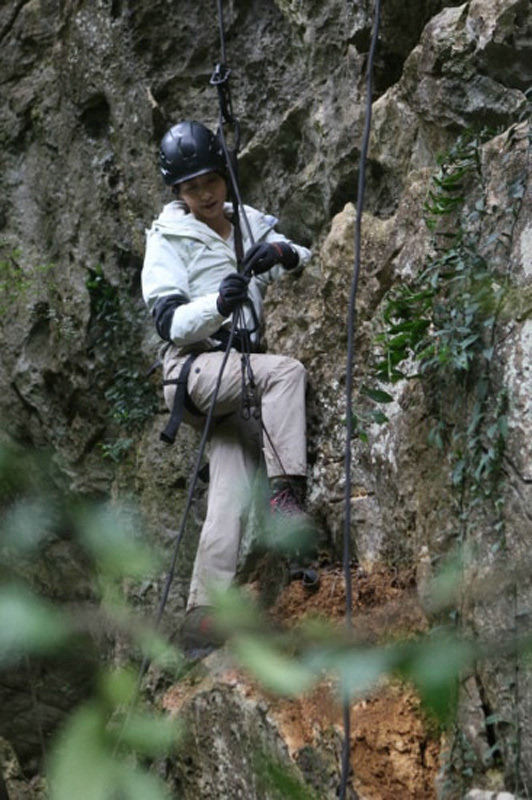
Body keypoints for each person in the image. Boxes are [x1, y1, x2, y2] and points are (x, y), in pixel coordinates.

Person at [141, 120, 313, 655]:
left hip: (233, 376)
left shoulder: (248, 224)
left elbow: (304, 254)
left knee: (231, 480)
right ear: (179, 193)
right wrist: (218, 303)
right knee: (285, 373)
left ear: (223, 175)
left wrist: (280, 255)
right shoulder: (168, 239)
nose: (205, 193)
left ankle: (202, 618)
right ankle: (289, 500)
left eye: (210, 180)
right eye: (191, 187)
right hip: (193, 370)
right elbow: (168, 321)